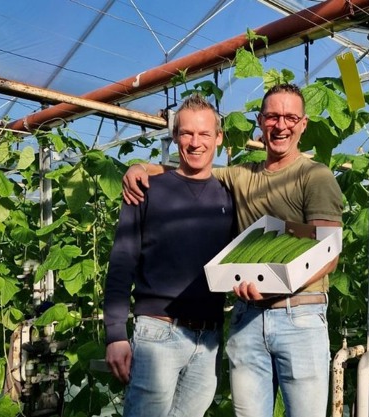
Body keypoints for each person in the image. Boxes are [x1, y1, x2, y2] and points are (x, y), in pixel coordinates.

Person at [122, 83, 344, 417]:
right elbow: (192, 168)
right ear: (260, 121)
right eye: (272, 116)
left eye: (290, 118)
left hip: (298, 316)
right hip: (248, 318)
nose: (281, 125)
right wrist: (142, 168)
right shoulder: (241, 174)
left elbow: (329, 254)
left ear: (303, 124)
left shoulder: (315, 176)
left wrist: (274, 287)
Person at [104, 94, 235, 417]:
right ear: (175, 136)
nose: (195, 142)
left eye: (204, 134)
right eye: (187, 133)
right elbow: (122, 259)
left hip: (208, 337)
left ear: (218, 138)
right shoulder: (147, 188)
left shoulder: (228, 195)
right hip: (158, 332)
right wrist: (115, 334)